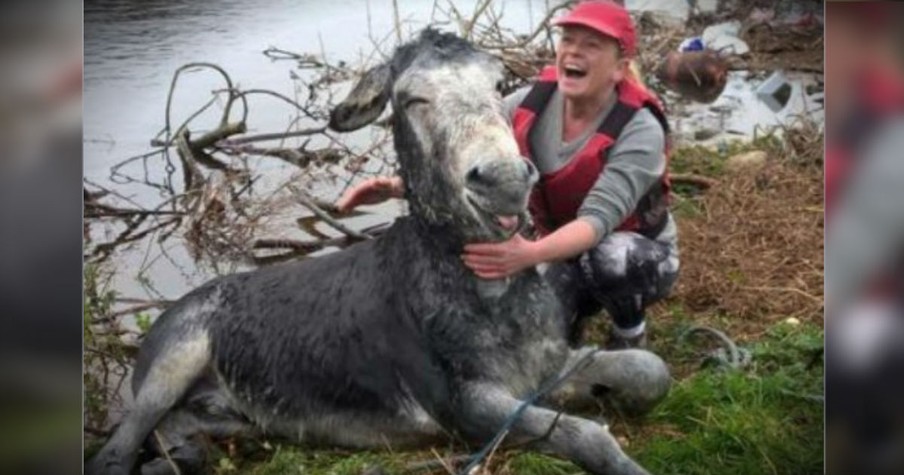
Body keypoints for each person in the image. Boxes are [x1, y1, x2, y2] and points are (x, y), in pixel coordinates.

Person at [337, 0, 678, 349]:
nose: (574, 52)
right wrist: (400, 188)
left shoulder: (641, 128)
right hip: (556, 246)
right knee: (536, 330)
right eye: (568, 40)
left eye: (591, 45)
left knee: (612, 260)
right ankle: (574, 313)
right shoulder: (529, 103)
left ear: (620, 68)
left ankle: (629, 331)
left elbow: (598, 221)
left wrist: (527, 255)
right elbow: (476, 158)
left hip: (633, 249)